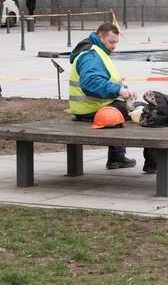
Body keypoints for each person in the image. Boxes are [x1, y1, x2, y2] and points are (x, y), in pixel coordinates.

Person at [68, 22, 159, 173]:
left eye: (116, 42)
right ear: (99, 37)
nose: (114, 46)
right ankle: (155, 163)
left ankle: (117, 158)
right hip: (93, 109)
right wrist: (118, 90)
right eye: (111, 42)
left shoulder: (95, 51)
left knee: (124, 109)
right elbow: (90, 83)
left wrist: (120, 91)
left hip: (90, 107)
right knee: (148, 112)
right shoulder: (92, 55)